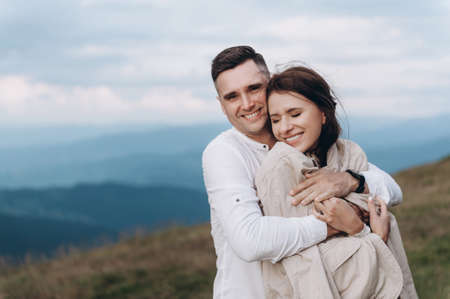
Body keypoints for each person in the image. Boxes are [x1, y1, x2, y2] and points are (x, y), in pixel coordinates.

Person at [202, 45, 403, 299]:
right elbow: (250, 240)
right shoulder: (224, 152)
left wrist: (350, 180)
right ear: (221, 105)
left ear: (270, 84)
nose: (247, 103)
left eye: (254, 88)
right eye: (232, 96)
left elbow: (393, 190)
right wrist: (344, 222)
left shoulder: (300, 141)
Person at [256, 65, 417, 298]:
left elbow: (388, 195)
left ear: (323, 113)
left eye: (295, 114)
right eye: (276, 119)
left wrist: (352, 190)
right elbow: (305, 270)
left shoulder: (349, 154)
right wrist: (369, 235)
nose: (284, 128)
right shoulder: (279, 169)